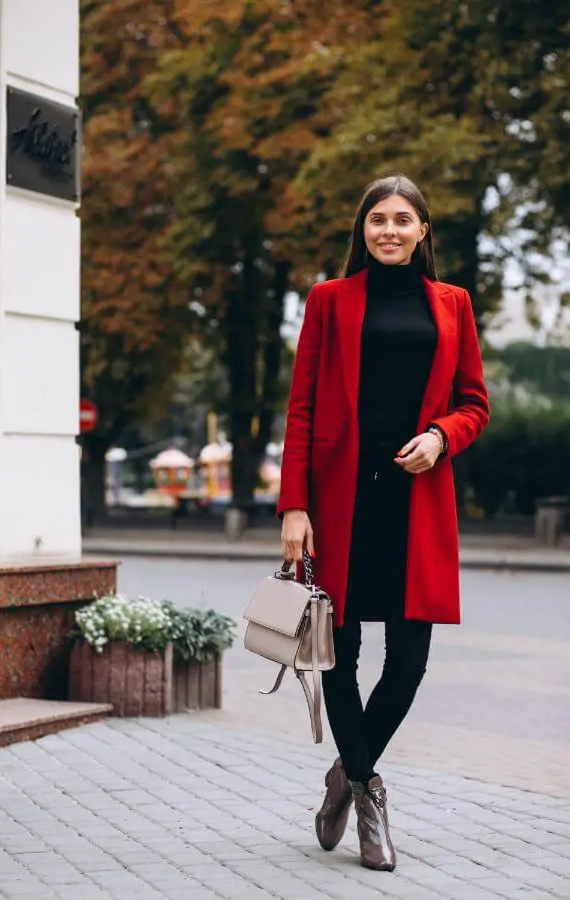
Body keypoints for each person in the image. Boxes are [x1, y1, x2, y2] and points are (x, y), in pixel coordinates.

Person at [277, 173, 489, 871]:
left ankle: (347, 771)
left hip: (415, 506)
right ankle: (369, 797)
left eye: (403, 219)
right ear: (361, 229)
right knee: (340, 654)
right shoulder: (329, 301)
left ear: (423, 230)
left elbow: (474, 403)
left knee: (409, 663)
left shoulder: (453, 304)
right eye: (378, 220)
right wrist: (294, 506)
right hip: (341, 504)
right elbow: (302, 408)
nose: (390, 230)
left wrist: (441, 435)